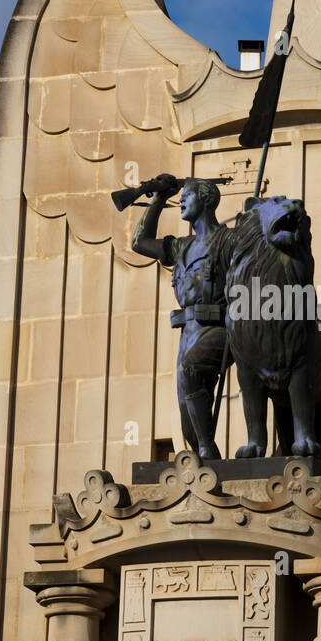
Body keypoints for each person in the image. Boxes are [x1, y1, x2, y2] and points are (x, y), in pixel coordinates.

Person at [131, 174, 235, 460]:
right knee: (187, 421)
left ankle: (208, 451)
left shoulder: (228, 240)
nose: (182, 201)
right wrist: (158, 198)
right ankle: (203, 453)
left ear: (207, 200)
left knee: (190, 370)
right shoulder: (182, 247)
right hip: (188, 331)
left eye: (187, 195)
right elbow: (139, 243)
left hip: (220, 327)